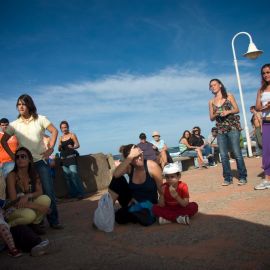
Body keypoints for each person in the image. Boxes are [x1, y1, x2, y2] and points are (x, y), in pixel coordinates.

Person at [0, 94, 63, 229]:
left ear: (29, 105)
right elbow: (3, 140)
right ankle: (36, 222)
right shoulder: (14, 125)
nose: (20, 107)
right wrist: (13, 156)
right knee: (24, 191)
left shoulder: (40, 119)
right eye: (18, 104)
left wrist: (50, 149)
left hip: (39, 161)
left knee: (48, 191)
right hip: (23, 164)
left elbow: (54, 131)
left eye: (23, 104)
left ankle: (54, 221)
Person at [108, 144, 163, 225]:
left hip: (149, 204)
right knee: (117, 180)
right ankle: (107, 212)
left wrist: (159, 209)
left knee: (121, 216)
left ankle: (133, 214)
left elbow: (161, 191)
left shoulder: (152, 166)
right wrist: (130, 156)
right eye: (135, 157)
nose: (140, 158)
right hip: (133, 202)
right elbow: (116, 174)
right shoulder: (130, 167)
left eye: (140, 154)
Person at [209, 79, 247, 186]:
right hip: (220, 129)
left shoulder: (229, 96)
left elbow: (237, 109)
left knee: (237, 153)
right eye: (211, 86)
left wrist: (228, 111)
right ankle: (228, 178)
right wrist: (216, 113)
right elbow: (211, 118)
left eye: (214, 85)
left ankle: (243, 176)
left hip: (232, 127)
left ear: (220, 85)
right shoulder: (211, 102)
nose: (213, 87)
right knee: (223, 155)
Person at [6, 147, 51, 234]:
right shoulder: (11, 176)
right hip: (12, 208)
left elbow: (40, 192)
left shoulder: (33, 173)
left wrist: (28, 196)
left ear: (29, 160)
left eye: (23, 156)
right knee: (30, 215)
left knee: (45, 199)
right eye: (17, 157)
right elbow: (14, 201)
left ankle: (34, 224)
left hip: (26, 205)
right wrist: (38, 207)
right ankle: (7, 227)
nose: (20, 159)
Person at [58, 121, 85, 199]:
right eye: (62, 128)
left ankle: (81, 193)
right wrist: (59, 147)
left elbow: (78, 145)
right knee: (68, 178)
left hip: (71, 157)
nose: (64, 129)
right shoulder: (60, 138)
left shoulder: (72, 135)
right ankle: (73, 194)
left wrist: (73, 147)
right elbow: (59, 148)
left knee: (74, 175)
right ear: (61, 129)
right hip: (63, 159)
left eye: (65, 127)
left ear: (68, 127)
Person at [254, 64, 270, 190]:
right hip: (267, 122)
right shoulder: (261, 90)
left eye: (268, 72)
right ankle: (267, 180)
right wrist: (266, 107)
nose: (266, 75)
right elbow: (258, 107)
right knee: (267, 152)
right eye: (264, 73)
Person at [0, 118, 19, 199]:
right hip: (2, 163)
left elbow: (19, 147)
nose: (5, 127)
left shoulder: (15, 136)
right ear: (0, 126)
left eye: (6, 125)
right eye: (3, 125)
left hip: (14, 161)